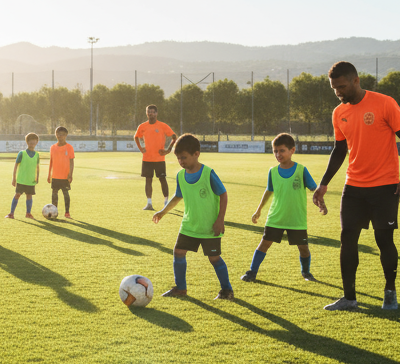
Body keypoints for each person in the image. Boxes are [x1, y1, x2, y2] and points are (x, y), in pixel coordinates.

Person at [312, 61, 400, 311]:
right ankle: (349, 297)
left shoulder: (384, 103)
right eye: (334, 88)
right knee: (347, 239)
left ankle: (390, 292)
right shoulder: (339, 113)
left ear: (356, 81)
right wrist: (323, 184)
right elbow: (339, 150)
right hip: (354, 187)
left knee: (384, 240)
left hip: (385, 186)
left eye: (342, 86)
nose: (338, 92)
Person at [153, 135, 232, 301]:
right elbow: (177, 196)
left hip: (209, 226)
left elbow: (223, 194)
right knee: (179, 252)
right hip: (189, 225)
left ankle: (227, 290)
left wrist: (220, 220)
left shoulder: (208, 173)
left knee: (214, 258)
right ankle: (181, 288)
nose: (181, 161)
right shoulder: (181, 175)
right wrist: (162, 212)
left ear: (196, 154)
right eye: (178, 158)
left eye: (184, 157)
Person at [240, 133, 325, 284]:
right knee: (264, 244)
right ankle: (252, 272)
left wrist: (321, 202)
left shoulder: (301, 170)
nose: (278, 154)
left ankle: (306, 272)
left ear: (292, 150)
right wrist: (258, 210)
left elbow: (314, 189)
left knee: (303, 248)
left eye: (282, 151)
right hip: (276, 217)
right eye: (275, 151)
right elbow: (269, 191)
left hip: (296, 218)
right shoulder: (272, 171)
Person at [134, 105, 177, 211]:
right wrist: (141, 148)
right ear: (146, 113)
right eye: (149, 112)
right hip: (147, 159)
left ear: (157, 113)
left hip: (159, 159)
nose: (151, 114)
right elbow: (136, 137)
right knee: (148, 180)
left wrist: (168, 150)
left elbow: (174, 137)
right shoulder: (142, 126)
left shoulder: (162, 126)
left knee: (162, 179)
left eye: (153, 112)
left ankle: (166, 202)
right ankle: (149, 203)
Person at [5, 132, 40, 219]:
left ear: (36, 143)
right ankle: (11, 213)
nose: (32, 144)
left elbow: (37, 167)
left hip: (30, 180)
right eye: (30, 142)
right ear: (27, 142)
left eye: (34, 142)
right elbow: (16, 165)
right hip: (21, 180)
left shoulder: (37, 155)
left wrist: (37, 177)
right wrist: (14, 178)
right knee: (17, 195)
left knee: (29, 196)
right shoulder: (22, 153)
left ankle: (28, 213)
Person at [48, 126, 74, 219]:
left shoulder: (69, 147)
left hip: (65, 177)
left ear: (66, 135)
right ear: (56, 135)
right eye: (59, 134)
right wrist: (49, 175)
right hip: (55, 176)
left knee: (66, 194)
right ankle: (54, 211)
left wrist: (70, 174)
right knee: (54, 194)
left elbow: (71, 162)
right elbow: (51, 161)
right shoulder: (52, 147)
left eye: (63, 134)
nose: (60, 136)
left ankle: (67, 212)